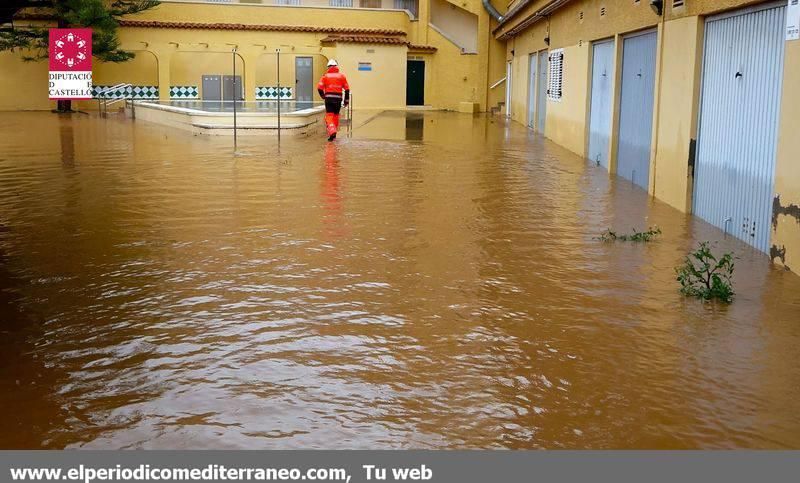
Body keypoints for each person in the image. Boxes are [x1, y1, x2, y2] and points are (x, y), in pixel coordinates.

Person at [317, 59, 350, 141]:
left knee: (329, 115)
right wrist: (346, 101)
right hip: (338, 99)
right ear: (336, 67)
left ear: (328, 67)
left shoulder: (325, 76)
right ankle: (334, 134)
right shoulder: (342, 76)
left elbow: (319, 88)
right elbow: (347, 89)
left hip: (329, 99)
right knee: (336, 115)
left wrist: (323, 96)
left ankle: (332, 131)